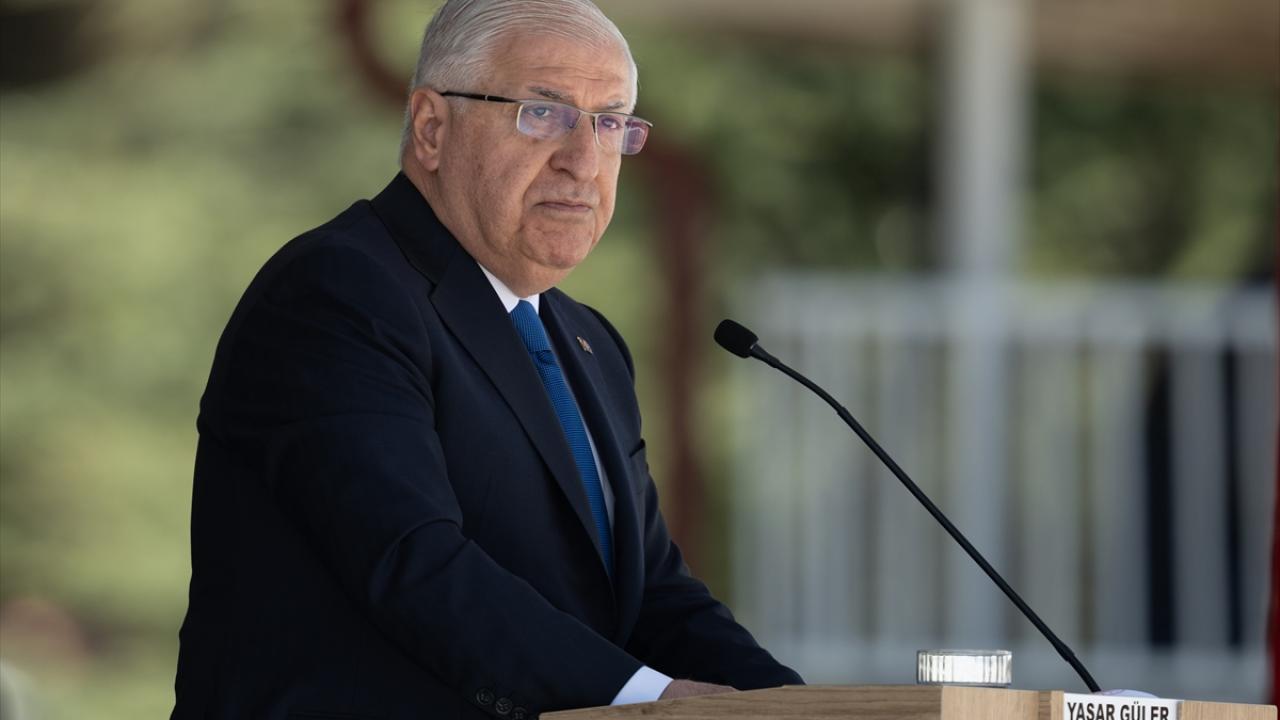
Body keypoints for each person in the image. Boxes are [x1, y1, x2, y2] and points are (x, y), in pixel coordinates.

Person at [171, 1, 802, 717]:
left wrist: (800, 706)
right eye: (544, 113)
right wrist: (645, 701)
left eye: (610, 123)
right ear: (432, 129)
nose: (583, 161)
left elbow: (653, 595)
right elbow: (414, 564)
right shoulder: (337, 293)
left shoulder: (590, 343)